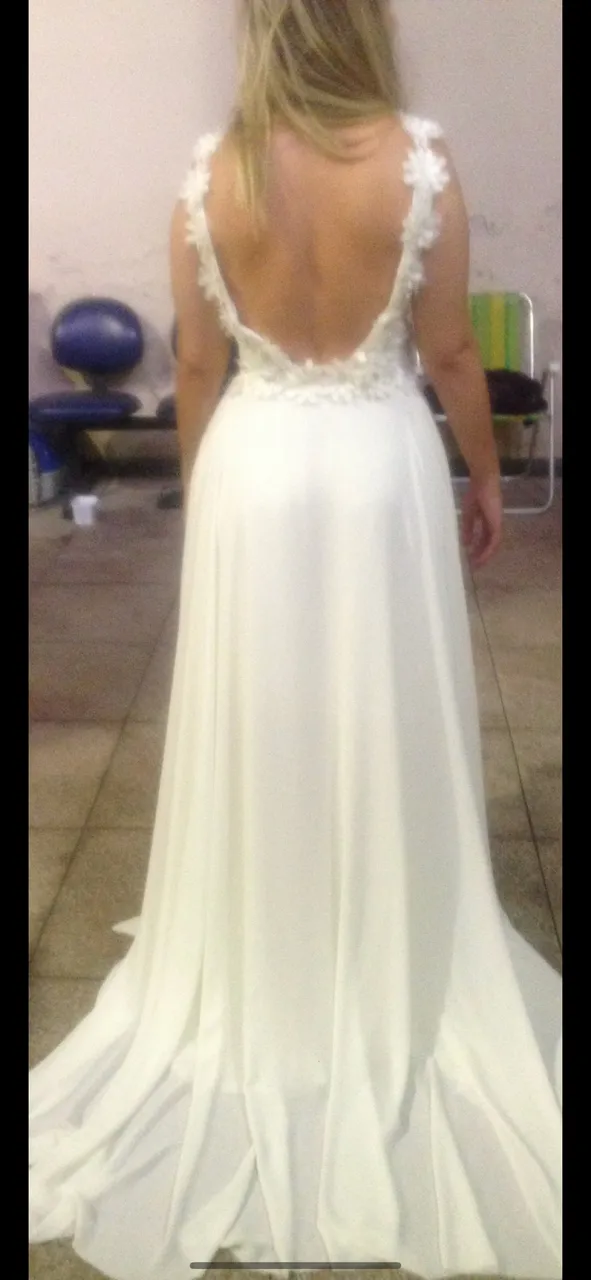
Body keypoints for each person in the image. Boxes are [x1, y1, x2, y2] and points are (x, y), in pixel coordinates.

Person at [29, 3, 562, 1278]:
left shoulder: (209, 175)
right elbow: (449, 351)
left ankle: (267, 943)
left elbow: (197, 369)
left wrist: (207, 496)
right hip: (378, 467)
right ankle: (387, 943)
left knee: (265, 723)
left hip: (256, 474)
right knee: (382, 710)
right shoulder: (419, 159)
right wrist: (487, 476)